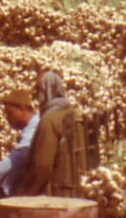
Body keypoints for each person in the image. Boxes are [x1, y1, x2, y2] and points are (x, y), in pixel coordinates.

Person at [18, 69, 88, 197]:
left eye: (39, 90)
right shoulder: (74, 114)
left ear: (46, 90)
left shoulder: (48, 121)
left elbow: (43, 166)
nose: (36, 96)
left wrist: (27, 194)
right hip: (77, 190)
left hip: (56, 196)